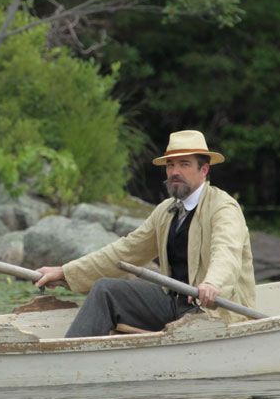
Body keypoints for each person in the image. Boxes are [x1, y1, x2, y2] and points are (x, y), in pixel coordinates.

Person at [34, 130, 256, 337]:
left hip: (213, 312)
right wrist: (65, 272)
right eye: (170, 165)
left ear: (204, 170)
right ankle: (71, 356)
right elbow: (125, 251)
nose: (175, 172)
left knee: (199, 306)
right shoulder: (165, 211)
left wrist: (211, 284)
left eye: (184, 164)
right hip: (173, 304)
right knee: (106, 290)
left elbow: (226, 252)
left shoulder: (223, 208)